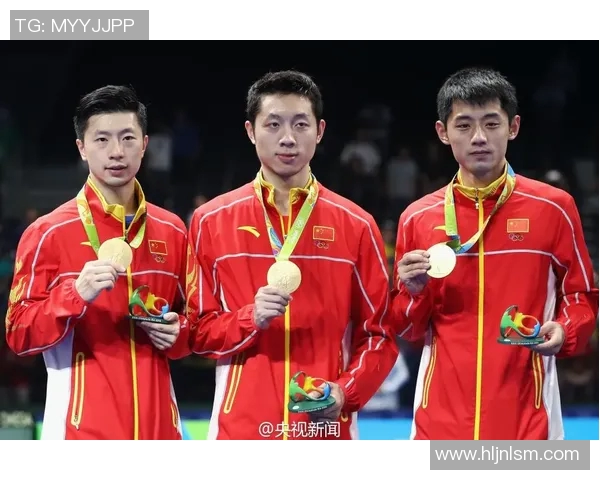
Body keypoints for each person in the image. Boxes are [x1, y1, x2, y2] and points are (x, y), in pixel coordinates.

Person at [184, 70, 399, 440]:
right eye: (273, 124)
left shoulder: (357, 225)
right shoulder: (211, 221)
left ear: (319, 131)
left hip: (323, 431)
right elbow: (197, 332)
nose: (287, 138)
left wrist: (345, 392)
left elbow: (379, 333)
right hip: (242, 434)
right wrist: (250, 318)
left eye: (300, 124)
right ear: (251, 131)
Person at [392, 67, 598, 440]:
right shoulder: (417, 218)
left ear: (513, 127)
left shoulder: (553, 207)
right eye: (464, 125)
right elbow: (407, 328)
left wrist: (566, 329)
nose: (479, 137)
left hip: (529, 417)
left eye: (491, 123)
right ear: (443, 132)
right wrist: (414, 292)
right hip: (438, 421)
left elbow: (580, 294)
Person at [5, 85, 191, 440]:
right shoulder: (47, 232)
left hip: (160, 433)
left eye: (127, 138)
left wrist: (178, 331)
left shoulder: (172, 230)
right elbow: (19, 336)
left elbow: (195, 327)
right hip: (80, 435)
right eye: (102, 140)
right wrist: (74, 294)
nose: (116, 152)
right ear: (82, 148)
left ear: (145, 144)